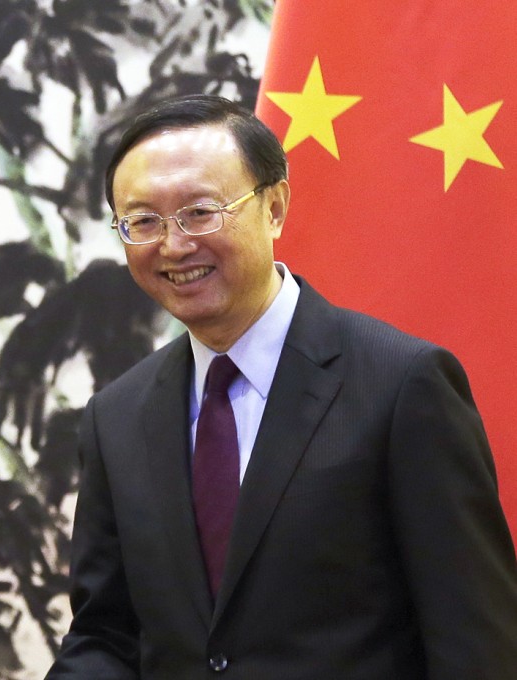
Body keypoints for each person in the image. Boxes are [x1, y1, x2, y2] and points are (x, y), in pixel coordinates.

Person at [46, 94, 517, 679]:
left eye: (201, 211)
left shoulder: (402, 385)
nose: (173, 244)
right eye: (143, 221)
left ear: (274, 207)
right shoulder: (114, 418)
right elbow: (106, 636)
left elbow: (475, 641)